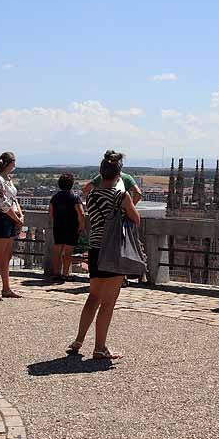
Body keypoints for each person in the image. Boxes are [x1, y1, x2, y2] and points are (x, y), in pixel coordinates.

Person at [68, 151, 141, 360]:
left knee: (93, 296)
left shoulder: (92, 195)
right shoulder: (121, 195)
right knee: (108, 302)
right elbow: (136, 220)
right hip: (113, 250)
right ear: (119, 175)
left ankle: (79, 340)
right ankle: (100, 348)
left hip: (95, 249)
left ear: (100, 173)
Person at [0, 151, 24, 300]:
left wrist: (20, 215)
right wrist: (17, 218)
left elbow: (14, 199)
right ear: (9, 163)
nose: (15, 164)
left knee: (7, 256)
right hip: (3, 219)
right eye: (14, 161)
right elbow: (4, 204)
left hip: (11, 218)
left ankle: (6, 288)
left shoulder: (8, 179)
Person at [50, 173, 85, 282]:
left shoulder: (55, 197)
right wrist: (81, 225)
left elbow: (50, 213)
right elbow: (81, 213)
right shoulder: (74, 197)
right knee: (68, 252)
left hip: (58, 226)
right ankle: (65, 274)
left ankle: (56, 273)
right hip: (71, 227)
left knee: (57, 251)